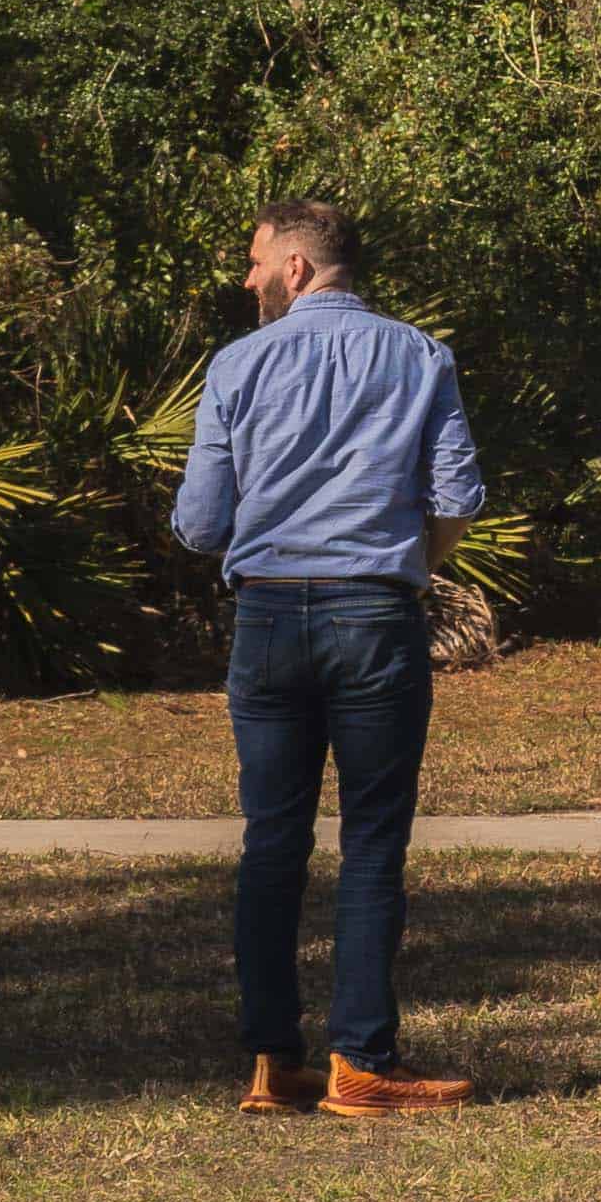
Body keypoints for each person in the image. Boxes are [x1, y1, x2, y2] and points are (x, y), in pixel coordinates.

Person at [171, 199, 488, 1117]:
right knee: (371, 844)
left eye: (256, 261)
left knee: (271, 841)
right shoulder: (420, 355)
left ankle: (273, 1060)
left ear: (298, 268)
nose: (248, 279)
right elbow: (457, 492)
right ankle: (362, 1060)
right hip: (375, 614)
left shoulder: (236, 364)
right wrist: (407, 565)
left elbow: (198, 522)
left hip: (267, 617)